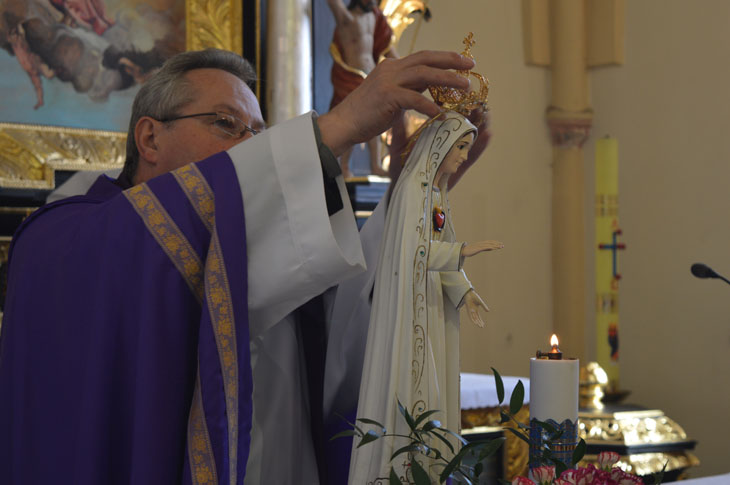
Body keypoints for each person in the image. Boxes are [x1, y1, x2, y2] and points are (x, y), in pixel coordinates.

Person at [0, 47, 475, 484]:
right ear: (150, 137)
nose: (249, 145)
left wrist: (414, 192)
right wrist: (341, 124)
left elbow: (349, 337)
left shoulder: (268, 236)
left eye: (259, 134)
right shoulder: (68, 235)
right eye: (226, 123)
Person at [347, 110, 503, 483]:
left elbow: (439, 249)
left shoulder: (436, 194)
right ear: (440, 145)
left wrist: (464, 292)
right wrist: (465, 250)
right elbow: (412, 252)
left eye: (467, 147)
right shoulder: (412, 191)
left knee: (435, 388)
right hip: (410, 307)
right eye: (460, 147)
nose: (464, 156)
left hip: (431, 303)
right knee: (415, 385)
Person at [327, 0, 396, 177]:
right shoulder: (346, 19)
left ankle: (375, 165)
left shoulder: (374, 17)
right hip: (352, 76)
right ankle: (344, 166)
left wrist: (404, 65)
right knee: (349, 123)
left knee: (375, 121)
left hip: (371, 75)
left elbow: (387, 48)